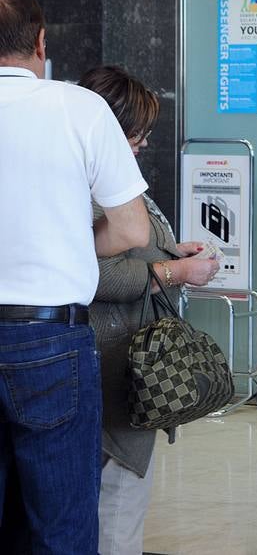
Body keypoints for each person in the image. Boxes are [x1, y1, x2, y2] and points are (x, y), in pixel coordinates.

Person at [0, 0, 150, 553]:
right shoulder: (78, 108)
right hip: (50, 338)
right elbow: (134, 231)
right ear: (41, 43)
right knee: (61, 524)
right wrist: (67, 245)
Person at [79, 66, 222, 555]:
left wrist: (170, 250)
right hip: (112, 366)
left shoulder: (102, 179)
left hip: (115, 361)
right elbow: (96, 272)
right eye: (136, 133)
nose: (142, 143)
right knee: (117, 508)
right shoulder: (97, 188)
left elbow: (126, 249)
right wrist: (174, 273)